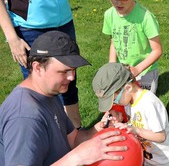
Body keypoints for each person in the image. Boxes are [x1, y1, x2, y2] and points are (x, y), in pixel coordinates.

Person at [0, 31, 128, 166]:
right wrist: (76, 158)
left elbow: (72, 140)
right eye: (64, 71)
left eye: (73, 70)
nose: (72, 77)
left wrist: (99, 128)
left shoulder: (50, 93)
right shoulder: (25, 118)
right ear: (38, 67)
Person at [0, 0, 82, 129]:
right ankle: (47, 140)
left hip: (63, 22)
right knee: (40, 89)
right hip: (30, 28)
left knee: (68, 80)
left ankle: (76, 134)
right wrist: (12, 38)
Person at [92, 63, 169, 166]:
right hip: (149, 156)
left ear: (127, 88)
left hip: (166, 159)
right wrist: (120, 119)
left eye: (115, 100)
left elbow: (161, 136)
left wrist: (136, 130)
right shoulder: (129, 102)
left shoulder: (149, 104)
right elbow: (134, 121)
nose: (114, 104)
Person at [102, 0, 163, 94]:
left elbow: (157, 50)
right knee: (124, 102)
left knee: (142, 104)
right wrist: (112, 65)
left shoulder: (146, 18)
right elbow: (114, 42)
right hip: (123, 70)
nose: (117, 3)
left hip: (145, 72)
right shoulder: (109, 15)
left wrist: (138, 69)